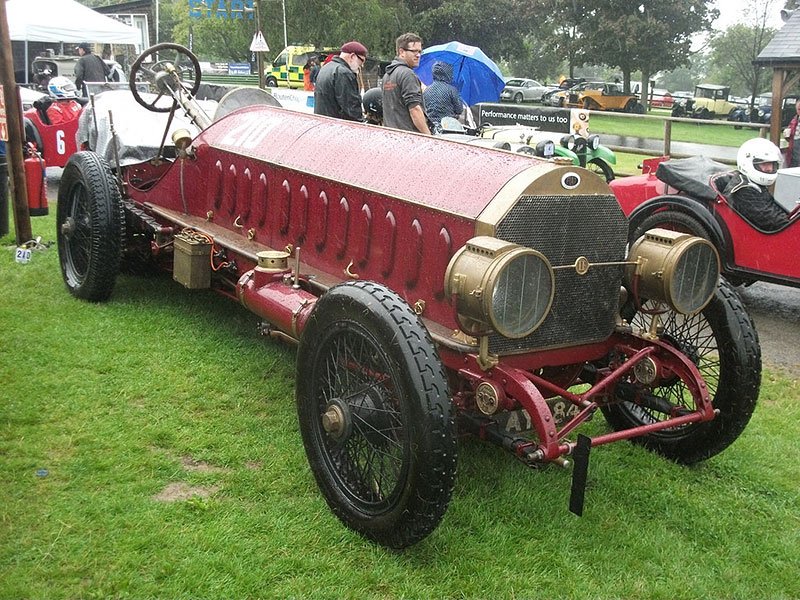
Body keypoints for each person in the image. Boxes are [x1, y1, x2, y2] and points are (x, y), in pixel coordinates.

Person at [718, 138, 789, 232]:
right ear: (747, 163)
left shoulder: (754, 184)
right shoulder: (744, 191)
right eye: (764, 164)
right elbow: (773, 222)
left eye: (772, 164)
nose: (769, 169)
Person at [382, 33, 431, 134]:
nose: (418, 55)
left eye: (420, 52)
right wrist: (428, 136)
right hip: (409, 138)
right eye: (414, 51)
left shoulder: (387, 75)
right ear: (401, 52)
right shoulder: (408, 74)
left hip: (391, 136)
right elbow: (415, 109)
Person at [313, 41, 367, 121]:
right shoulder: (343, 73)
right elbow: (351, 108)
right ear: (352, 56)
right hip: (338, 126)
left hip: (323, 123)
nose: (361, 65)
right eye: (361, 61)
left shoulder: (326, 67)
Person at [422, 61, 463, 133]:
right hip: (448, 129)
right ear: (447, 74)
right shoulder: (451, 90)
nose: (452, 76)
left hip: (430, 128)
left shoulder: (427, 90)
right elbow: (459, 109)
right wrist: (458, 92)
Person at [782, 98, 800, 167]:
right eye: (798, 109)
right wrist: (786, 135)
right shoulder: (794, 120)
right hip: (793, 156)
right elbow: (789, 137)